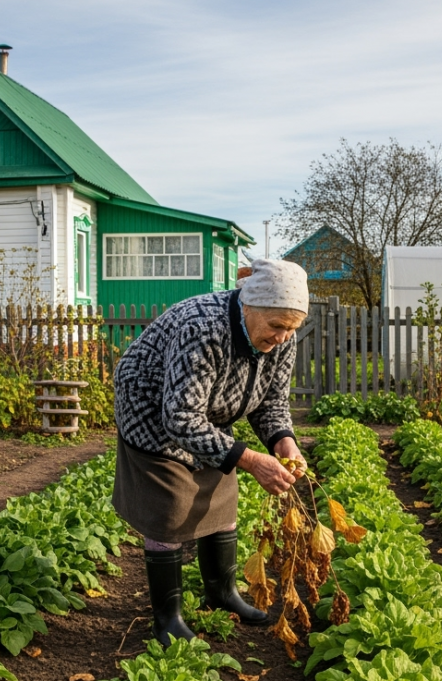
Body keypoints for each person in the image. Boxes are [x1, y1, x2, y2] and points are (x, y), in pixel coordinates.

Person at [112, 259, 310, 646]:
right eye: (276, 327)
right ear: (248, 308)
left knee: (221, 495)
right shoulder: (202, 327)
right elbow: (181, 418)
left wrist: (283, 441)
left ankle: (221, 594)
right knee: (169, 506)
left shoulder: (282, 334)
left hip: (209, 409)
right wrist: (251, 459)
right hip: (153, 410)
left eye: (292, 328)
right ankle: (166, 617)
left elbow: (272, 403)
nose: (283, 338)